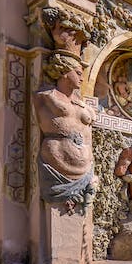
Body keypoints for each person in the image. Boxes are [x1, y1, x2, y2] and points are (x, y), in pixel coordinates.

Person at [33, 53, 97, 214]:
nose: (82, 79)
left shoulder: (82, 105)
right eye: (78, 73)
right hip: (57, 164)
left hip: (85, 168)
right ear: (64, 71)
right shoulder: (46, 96)